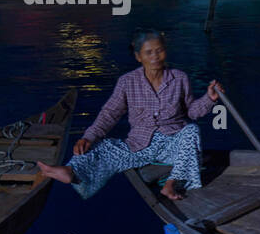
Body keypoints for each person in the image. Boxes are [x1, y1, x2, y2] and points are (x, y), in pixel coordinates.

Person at [36, 30, 219, 202]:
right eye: (149, 53)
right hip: (139, 145)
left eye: (159, 51)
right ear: (138, 57)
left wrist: (209, 99)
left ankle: (172, 183)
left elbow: (192, 112)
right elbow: (109, 114)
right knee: (103, 146)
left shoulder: (179, 78)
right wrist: (88, 137)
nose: (155, 56)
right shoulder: (127, 82)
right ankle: (71, 171)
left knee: (191, 130)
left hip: (172, 144)